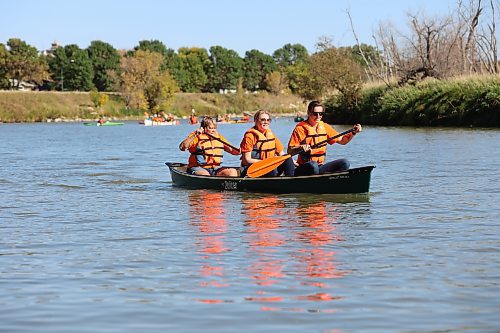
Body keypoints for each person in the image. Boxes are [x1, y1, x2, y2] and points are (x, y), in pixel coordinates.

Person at [288, 100, 362, 176]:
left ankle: (333, 182)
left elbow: (343, 141)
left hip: (320, 167)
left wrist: (353, 133)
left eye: (321, 114)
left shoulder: (324, 127)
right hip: (305, 168)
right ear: (309, 113)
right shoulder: (300, 129)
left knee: (345, 163)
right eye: (315, 114)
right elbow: (289, 151)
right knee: (313, 165)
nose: (318, 116)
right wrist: (300, 147)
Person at [240, 109, 295, 177]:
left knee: (287, 158)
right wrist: (266, 163)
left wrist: (293, 162)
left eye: (268, 120)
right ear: (256, 121)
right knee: (271, 169)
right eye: (263, 120)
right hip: (251, 169)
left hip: (269, 166)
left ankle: (291, 180)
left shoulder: (271, 135)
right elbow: (247, 160)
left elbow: (282, 154)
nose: (266, 122)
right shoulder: (249, 136)